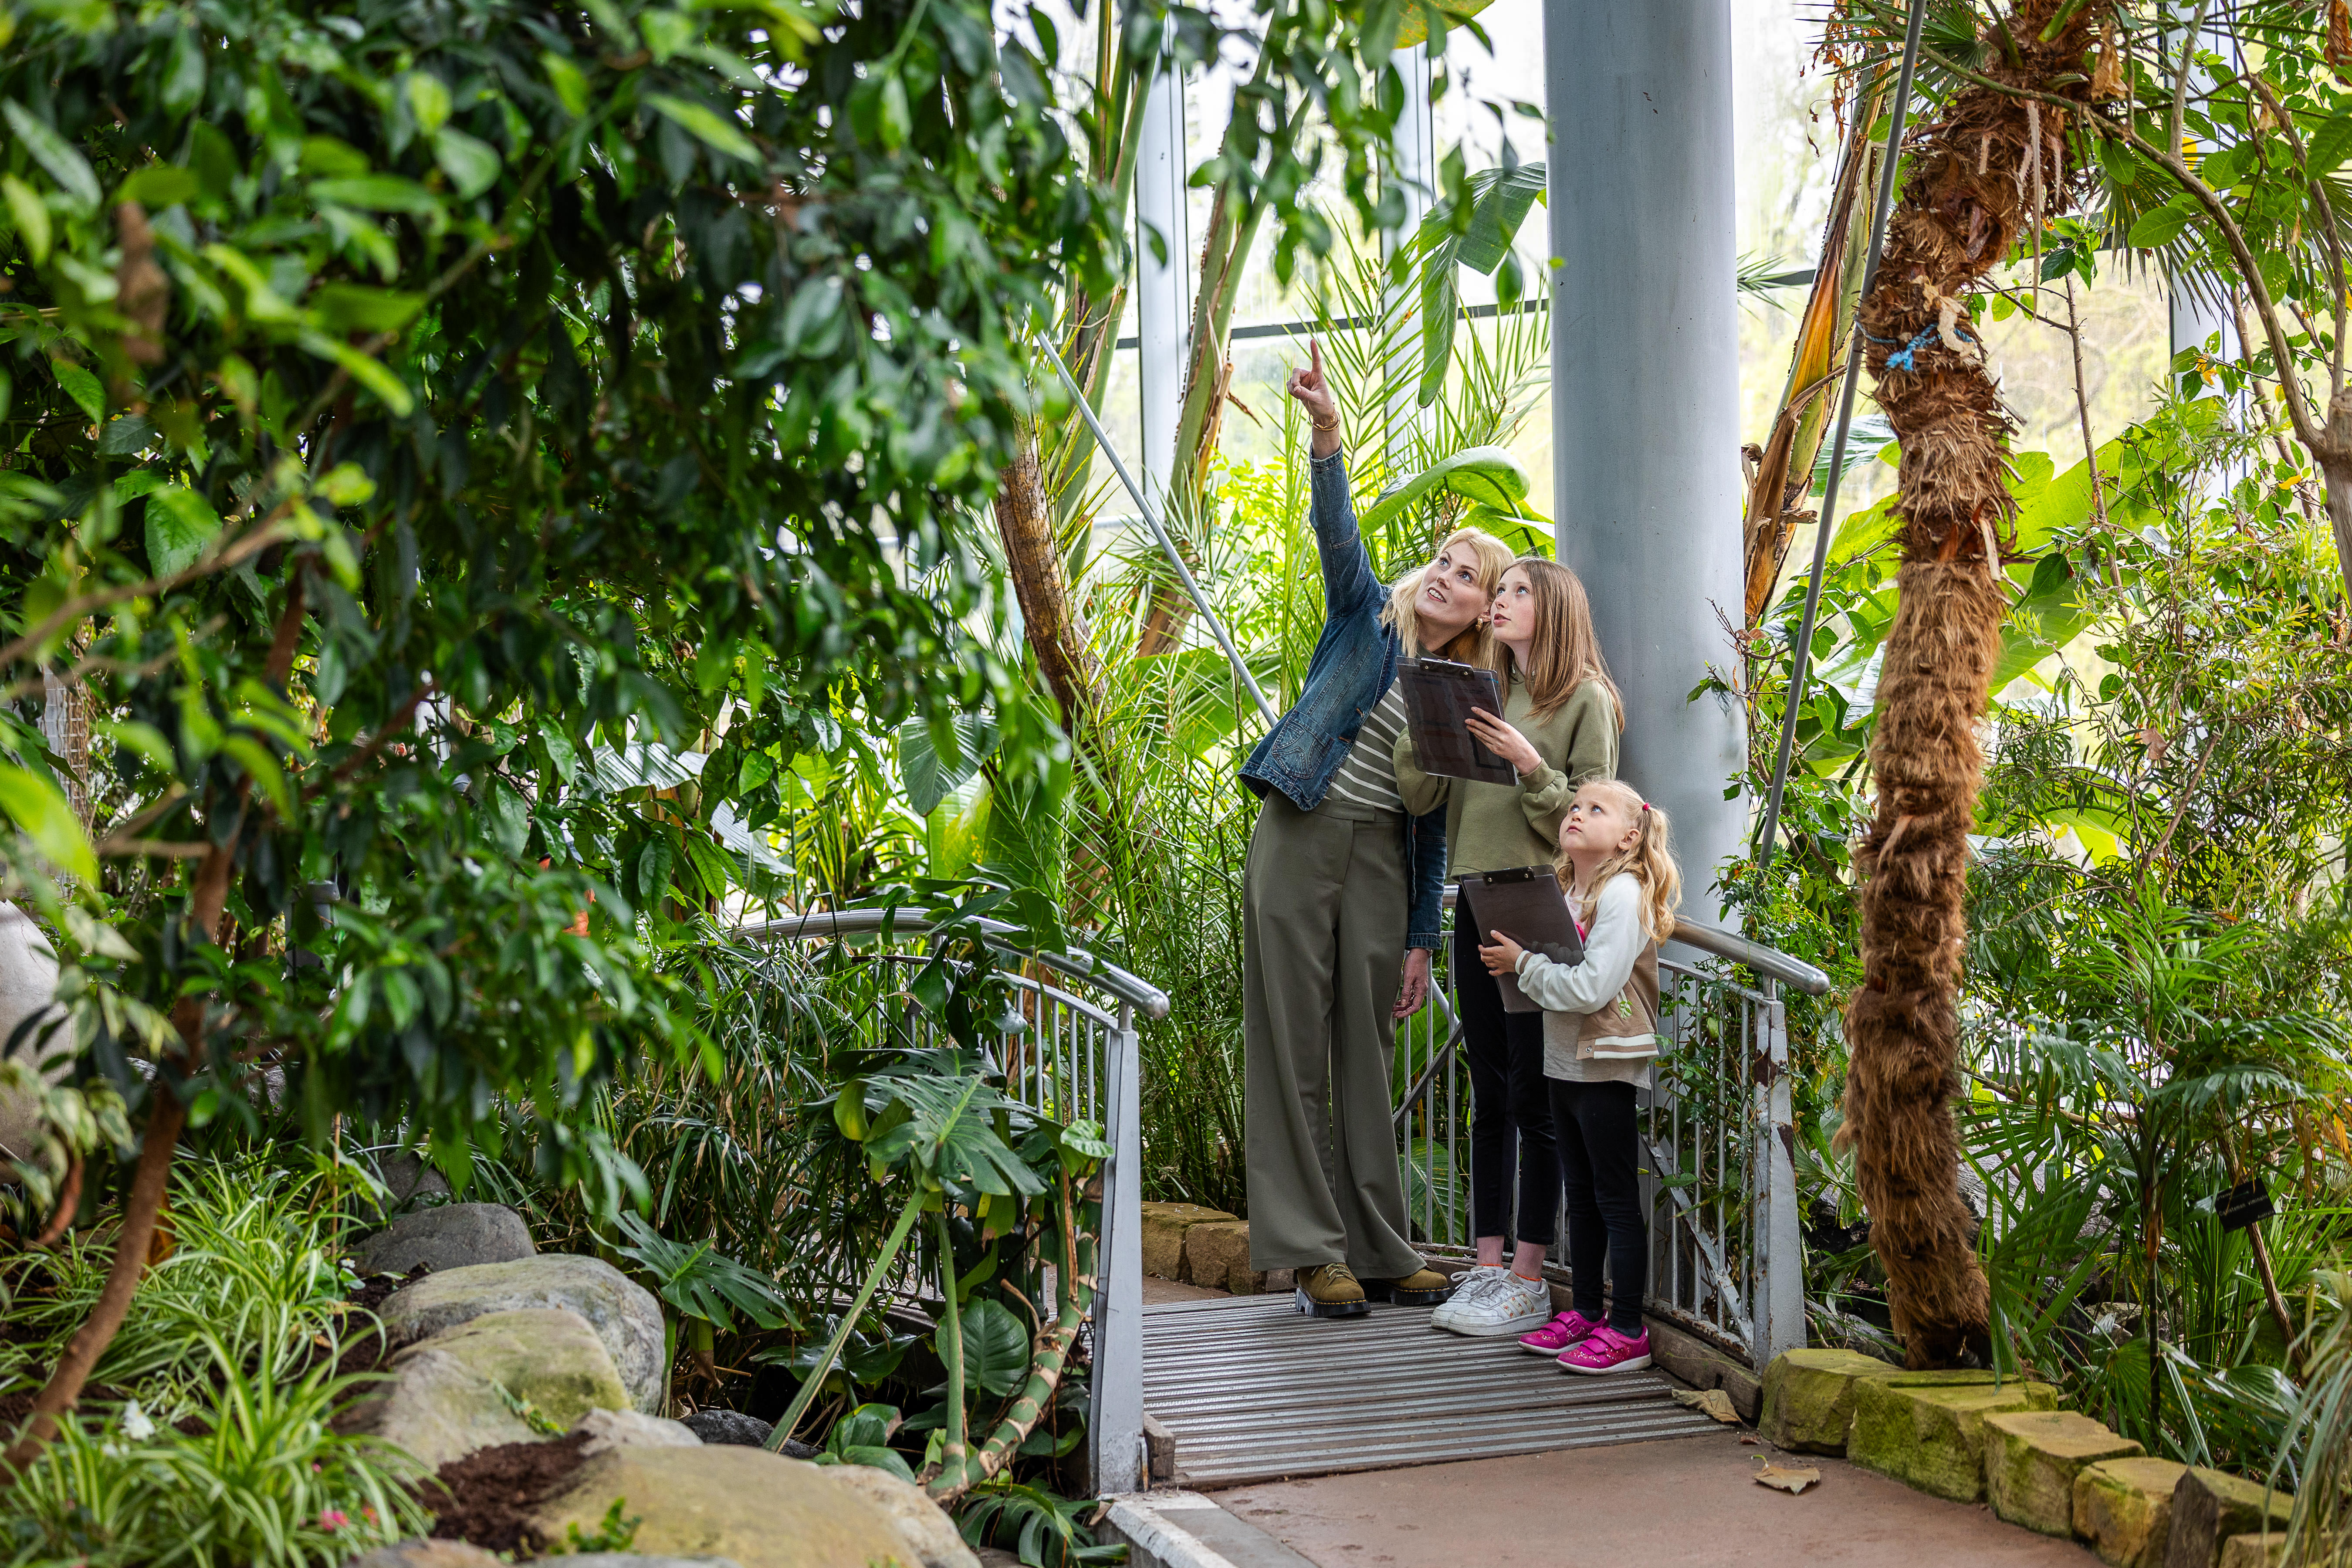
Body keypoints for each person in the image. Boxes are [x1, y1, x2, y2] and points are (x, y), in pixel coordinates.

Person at [1243, 337, 1515, 1320]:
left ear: (1488, 607)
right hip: (1301, 825)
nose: (1444, 574)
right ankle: (1313, 1253)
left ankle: (1381, 1248)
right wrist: (1327, 434)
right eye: (1443, 559)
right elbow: (1338, 531)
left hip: (1380, 862)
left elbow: (1434, 824)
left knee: (1365, 1046)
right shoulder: (1368, 616)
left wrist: (1418, 940)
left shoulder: (1470, 691)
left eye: (1469, 573)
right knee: (1290, 1042)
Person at [1394, 558, 1621, 1337]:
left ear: (1553, 608)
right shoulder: (1483, 691)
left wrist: (1530, 765)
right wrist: (1424, 726)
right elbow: (1422, 796)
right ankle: (1486, 1266)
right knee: (1489, 1094)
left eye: (1518, 591)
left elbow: (1600, 821)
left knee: (1537, 1095)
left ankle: (1529, 1275)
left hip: (1537, 898)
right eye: (1501, 590)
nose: (1499, 601)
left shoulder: (1585, 698)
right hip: (1474, 899)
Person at [1477, 779, 1681, 1373]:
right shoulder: (1567, 888)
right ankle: (1588, 1313)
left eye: (1595, 809)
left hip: (1606, 1062)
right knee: (1583, 1197)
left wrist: (1525, 964)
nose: (1576, 814)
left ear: (1629, 835)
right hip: (1565, 1058)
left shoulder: (1622, 894)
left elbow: (1595, 985)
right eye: (1574, 806)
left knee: (1614, 1199)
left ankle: (1627, 1330)